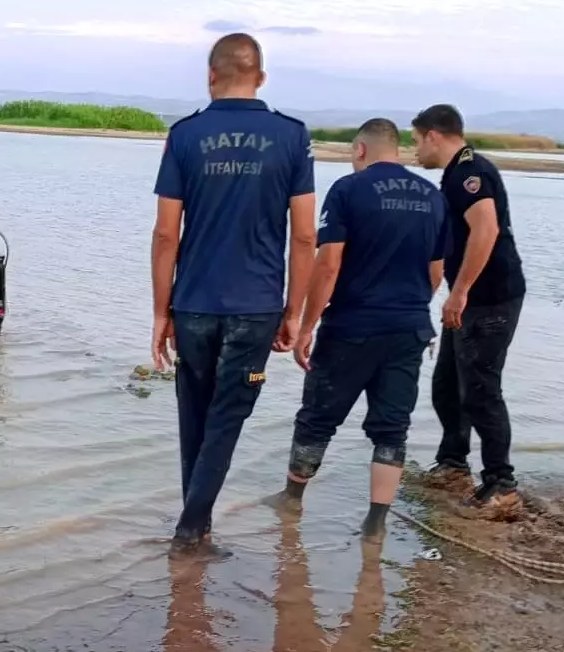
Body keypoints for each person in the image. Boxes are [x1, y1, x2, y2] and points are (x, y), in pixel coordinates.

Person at [151, 32, 316, 553]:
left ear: (210, 75)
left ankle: (194, 526)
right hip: (257, 305)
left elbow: (164, 233)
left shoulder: (185, 135)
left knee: (194, 415)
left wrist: (161, 312)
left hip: (194, 302)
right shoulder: (292, 136)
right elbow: (306, 234)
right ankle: (190, 530)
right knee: (225, 419)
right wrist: (296, 311)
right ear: (261, 78)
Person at [281, 118, 449, 538]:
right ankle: (375, 523)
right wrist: (409, 309)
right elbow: (436, 271)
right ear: (396, 149)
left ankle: (291, 504)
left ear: (359, 150)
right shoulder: (433, 196)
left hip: (351, 326)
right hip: (409, 327)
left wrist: (305, 325)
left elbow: (329, 264)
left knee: (318, 418)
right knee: (392, 427)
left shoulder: (347, 190)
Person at [411, 105, 526, 518]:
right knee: (447, 385)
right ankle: (453, 463)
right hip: (470, 298)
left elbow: (487, 229)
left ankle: (502, 484)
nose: (414, 150)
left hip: (491, 297)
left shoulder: (469, 171)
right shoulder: (455, 174)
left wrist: (459, 293)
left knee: (480, 391)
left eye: (415, 140)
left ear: (433, 136)